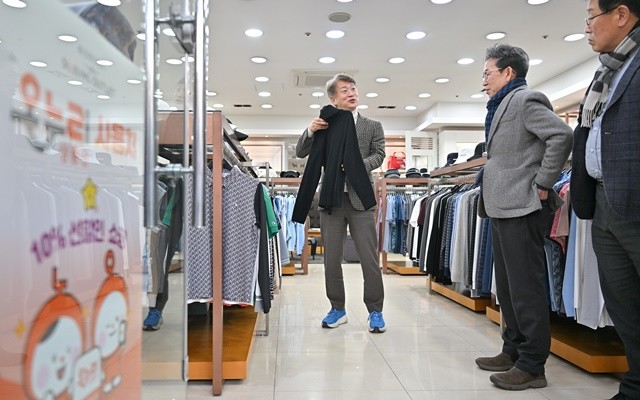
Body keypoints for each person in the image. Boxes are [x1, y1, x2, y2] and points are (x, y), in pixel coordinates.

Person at [474, 44, 573, 390]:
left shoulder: (526, 100)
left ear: (508, 72)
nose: (483, 80)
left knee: (526, 288)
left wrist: (544, 183)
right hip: (502, 205)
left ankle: (532, 365)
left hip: (522, 205)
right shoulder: (501, 104)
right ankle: (512, 349)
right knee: (507, 287)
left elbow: (562, 136)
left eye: (487, 73)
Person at [571, 2, 640, 399]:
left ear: (621, 14)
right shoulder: (607, 71)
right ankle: (633, 386)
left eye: (591, 16)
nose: (587, 27)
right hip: (604, 200)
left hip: (634, 200)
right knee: (624, 305)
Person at [293, 73, 387, 333]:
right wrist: (310, 131)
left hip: (361, 199)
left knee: (369, 258)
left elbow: (379, 154)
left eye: (353, 88)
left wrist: (356, 165)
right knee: (331, 259)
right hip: (331, 200)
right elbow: (301, 151)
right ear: (333, 99)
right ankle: (337, 309)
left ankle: (375, 311)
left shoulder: (372, 125)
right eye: (344, 90)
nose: (351, 93)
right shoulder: (325, 124)